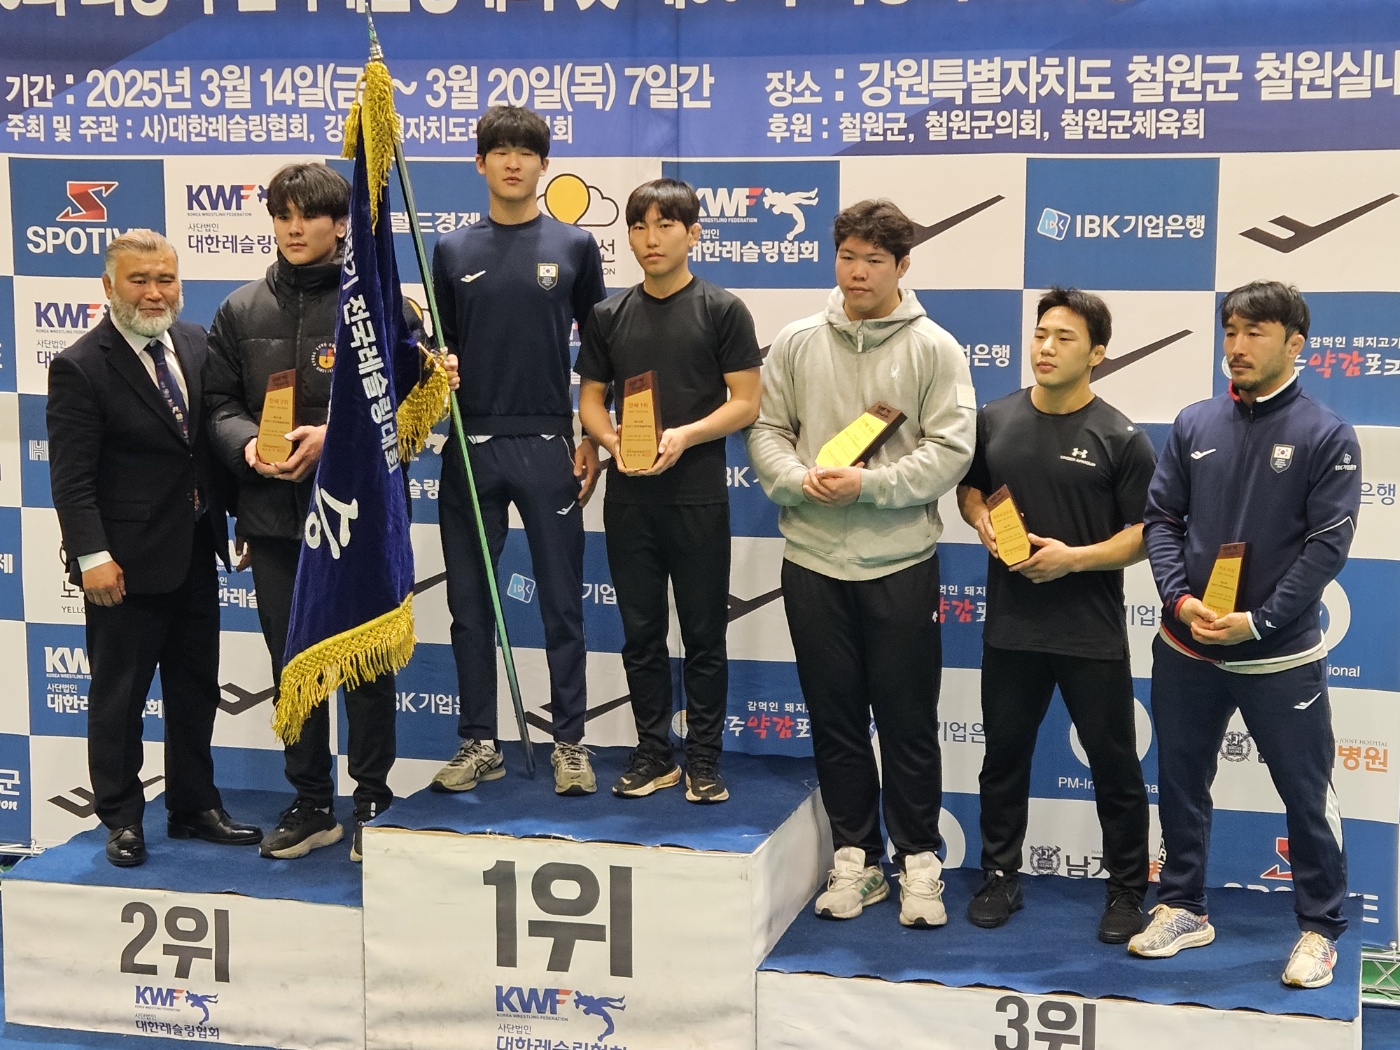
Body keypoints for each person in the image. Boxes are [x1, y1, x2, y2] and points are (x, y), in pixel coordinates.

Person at [205, 162, 448, 863]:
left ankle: (372, 797)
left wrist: (334, 440)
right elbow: (217, 405)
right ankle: (311, 803)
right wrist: (248, 446)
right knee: (295, 665)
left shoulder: (381, 306)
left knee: (367, 661)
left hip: (360, 518)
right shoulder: (239, 309)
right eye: (282, 215)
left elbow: (410, 408)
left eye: (308, 215)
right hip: (274, 519)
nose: (293, 227)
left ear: (342, 224)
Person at [747, 199, 976, 927]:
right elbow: (767, 430)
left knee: (908, 722)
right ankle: (857, 857)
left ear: (902, 266)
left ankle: (919, 862)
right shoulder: (796, 341)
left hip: (900, 563)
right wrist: (797, 478)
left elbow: (951, 450)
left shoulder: (934, 347)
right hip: (812, 562)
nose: (858, 272)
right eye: (848, 256)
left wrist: (869, 486)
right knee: (835, 719)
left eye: (874, 260)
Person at [1133, 281, 1360, 989]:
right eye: (1230, 330)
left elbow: (1327, 546)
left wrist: (1259, 620)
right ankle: (1182, 906)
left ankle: (1320, 928)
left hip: (1279, 655)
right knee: (1180, 782)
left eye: (1254, 332)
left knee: (1306, 792)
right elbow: (1161, 520)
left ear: (1295, 344)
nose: (1236, 346)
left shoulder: (1326, 433)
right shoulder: (1194, 423)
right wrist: (1179, 601)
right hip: (1187, 645)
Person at [46, 229, 262, 868]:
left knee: (195, 690)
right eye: (138, 280)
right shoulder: (80, 365)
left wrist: (241, 518)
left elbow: (209, 446)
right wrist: (92, 557)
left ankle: (194, 807)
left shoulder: (195, 343)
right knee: (120, 699)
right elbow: (71, 478)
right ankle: (120, 818)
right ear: (108, 286)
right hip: (122, 565)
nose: (153, 292)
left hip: (195, 550)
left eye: (164, 279)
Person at [956, 287, 1154, 944]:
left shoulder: (1121, 437)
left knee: (1115, 765)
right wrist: (981, 521)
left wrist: (1075, 559)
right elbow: (971, 489)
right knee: (1003, 759)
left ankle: (1126, 890)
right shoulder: (995, 417)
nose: (1045, 347)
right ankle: (999, 876)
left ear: (1097, 353)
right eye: (1041, 334)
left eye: (1064, 338)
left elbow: (1146, 533)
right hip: (1011, 629)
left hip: (1089, 632)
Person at [429, 105, 606, 797]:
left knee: (562, 602)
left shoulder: (575, 245)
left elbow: (600, 354)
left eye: (525, 151)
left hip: (547, 443)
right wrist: (436, 367)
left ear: (543, 164)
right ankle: (479, 742)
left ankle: (570, 743)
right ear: (480, 163)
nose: (512, 161)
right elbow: (438, 347)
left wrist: (590, 436)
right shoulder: (450, 250)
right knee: (471, 605)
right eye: (499, 150)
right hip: (470, 445)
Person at [576, 179, 762, 802]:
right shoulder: (608, 315)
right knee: (641, 634)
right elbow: (590, 400)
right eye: (639, 226)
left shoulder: (722, 309)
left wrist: (685, 435)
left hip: (698, 497)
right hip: (630, 500)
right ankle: (654, 752)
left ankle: (704, 759)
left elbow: (746, 402)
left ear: (693, 233)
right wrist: (610, 439)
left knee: (705, 635)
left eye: (665, 225)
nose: (650, 239)